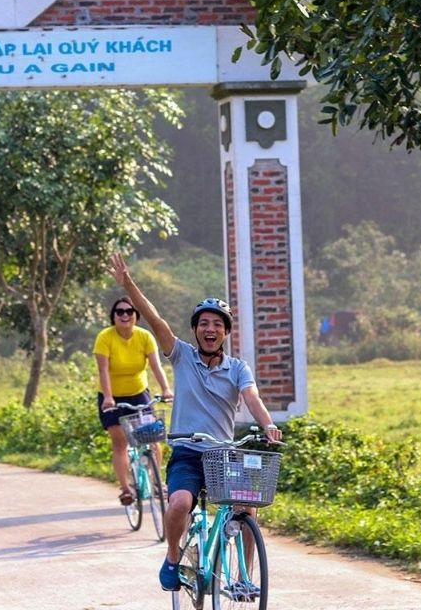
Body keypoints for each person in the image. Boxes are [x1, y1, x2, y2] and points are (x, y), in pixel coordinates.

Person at [107, 252, 282, 594]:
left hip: (222, 457)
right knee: (180, 504)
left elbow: (252, 398)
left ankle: (243, 578)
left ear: (226, 332)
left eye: (218, 324)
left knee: (247, 506)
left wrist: (268, 425)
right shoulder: (182, 355)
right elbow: (157, 321)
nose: (210, 329)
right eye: (204, 323)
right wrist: (128, 284)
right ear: (195, 330)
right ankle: (173, 558)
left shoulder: (237, 368)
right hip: (187, 451)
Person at [95, 296, 173, 505]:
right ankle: (126, 489)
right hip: (111, 396)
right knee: (120, 442)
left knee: (154, 437)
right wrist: (109, 397)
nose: (125, 315)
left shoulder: (145, 337)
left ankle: (158, 483)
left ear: (136, 316)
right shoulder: (105, 337)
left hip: (139, 393)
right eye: (119, 312)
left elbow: (156, 366)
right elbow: (103, 370)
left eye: (129, 311)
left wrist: (165, 389)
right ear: (113, 316)